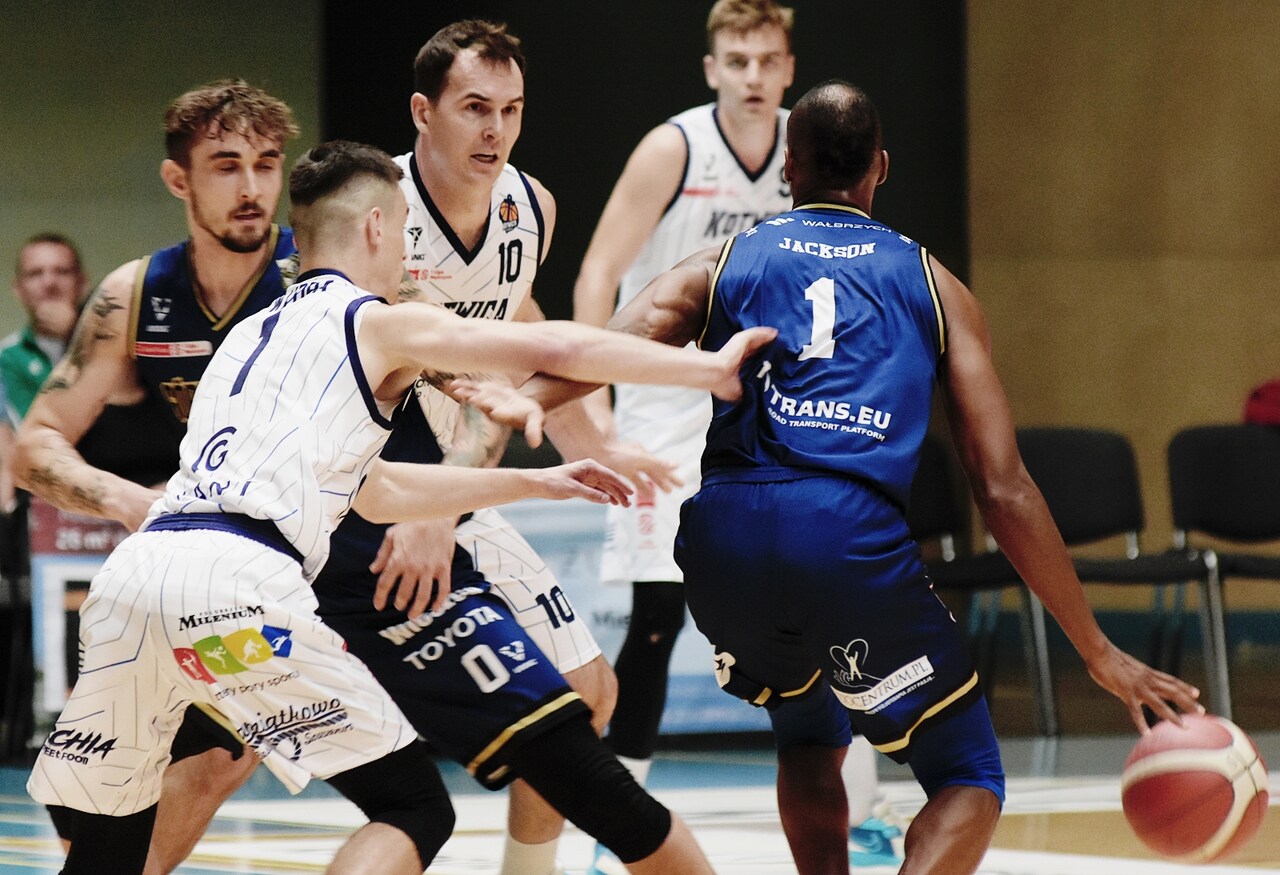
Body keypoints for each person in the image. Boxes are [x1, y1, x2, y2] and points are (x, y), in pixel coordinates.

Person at [460, 80, 1205, 875]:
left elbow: (612, 339)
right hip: (845, 539)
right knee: (967, 774)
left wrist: (526, 398)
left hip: (724, 540)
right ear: (879, 167)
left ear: (789, 167)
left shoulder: (727, 259)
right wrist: (1095, 647)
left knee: (809, 733)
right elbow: (1002, 485)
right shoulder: (933, 284)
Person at [27, 138, 773, 875]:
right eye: (406, 232)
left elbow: (376, 490)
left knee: (107, 848)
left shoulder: (247, 339)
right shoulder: (375, 319)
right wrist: (705, 369)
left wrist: (535, 482)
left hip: (132, 586)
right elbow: (556, 348)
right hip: (238, 586)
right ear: (379, 227)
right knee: (413, 805)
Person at [571, 2, 895, 868]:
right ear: (712, 68)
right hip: (664, 405)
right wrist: (593, 410)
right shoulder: (672, 149)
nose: (752, 75)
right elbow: (600, 271)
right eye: (736, 60)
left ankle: (863, 812)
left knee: (833, 603)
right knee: (654, 620)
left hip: (774, 406)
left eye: (766, 60)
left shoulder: (811, 147)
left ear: (789, 68)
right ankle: (618, 827)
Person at [360, 21, 680, 875]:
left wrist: (596, 441)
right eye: (474, 108)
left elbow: (520, 328)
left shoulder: (529, 206)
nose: (495, 129)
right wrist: (432, 505)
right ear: (423, 112)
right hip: (355, 488)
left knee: (587, 689)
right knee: (229, 744)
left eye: (511, 109)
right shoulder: (374, 210)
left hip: (449, 490)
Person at [13, 79, 302, 873]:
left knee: (223, 753)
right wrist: (126, 500)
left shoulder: (320, 275)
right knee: (97, 793)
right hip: (186, 563)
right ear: (179, 179)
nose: (252, 187)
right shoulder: (134, 294)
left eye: (267, 163)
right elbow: (35, 443)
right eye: (227, 165)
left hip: (303, 558)